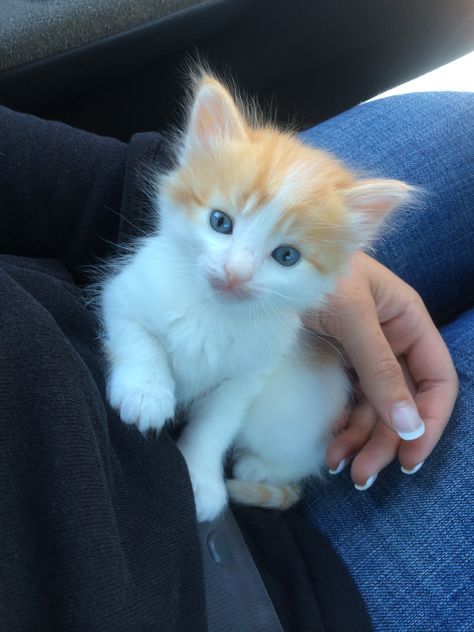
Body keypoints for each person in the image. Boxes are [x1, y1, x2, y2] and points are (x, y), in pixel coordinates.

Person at [0, 90, 471, 631]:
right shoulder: (158, 275)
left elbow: (239, 384)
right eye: (222, 223)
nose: (237, 270)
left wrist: (200, 455)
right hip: (238, 578)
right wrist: (143, 366)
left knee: (463, 124)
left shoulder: (274, 313)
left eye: (284, 255)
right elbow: (124, 309)